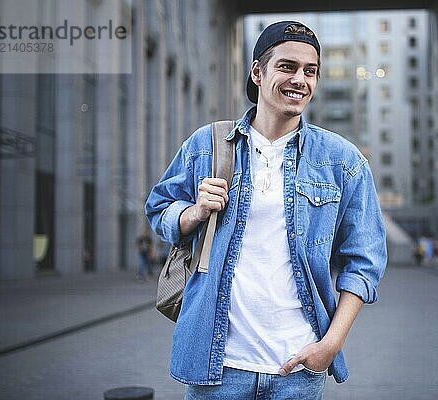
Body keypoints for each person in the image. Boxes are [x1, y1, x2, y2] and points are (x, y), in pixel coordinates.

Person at [145, 21, 387, 399]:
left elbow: (365, 261)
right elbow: (158, 208)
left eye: (311, 71)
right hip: (218, 367)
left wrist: (331, 345)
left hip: (298, 368)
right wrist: (193, 212)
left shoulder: (342, 161)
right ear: (258, 72)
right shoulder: (207, 146)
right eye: (287, 67)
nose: (300, 80)